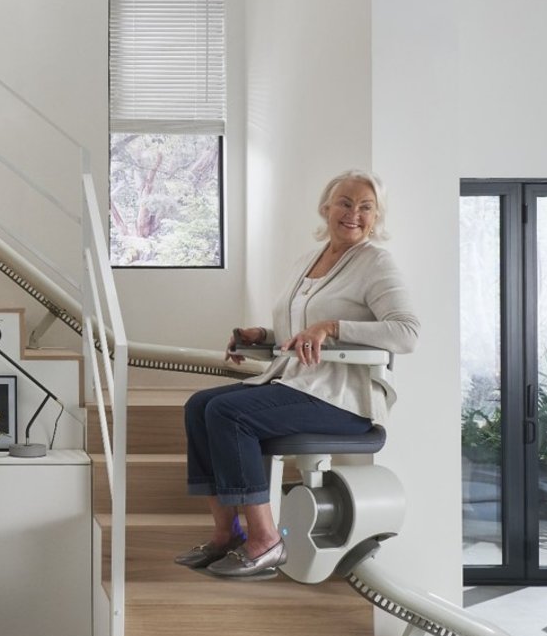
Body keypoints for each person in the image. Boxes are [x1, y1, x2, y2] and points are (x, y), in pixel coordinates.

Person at [174, 170, 419, 579]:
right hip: (300, 383)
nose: (353, 213)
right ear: (326, 207)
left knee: (228, 413)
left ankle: (265, 540)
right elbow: (298, 332)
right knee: (199, 405)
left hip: (343, 399)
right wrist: (262, 335)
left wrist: (334, 327)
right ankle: (225, 534)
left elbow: (406, 332)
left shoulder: (376, 262)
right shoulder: (308, 261)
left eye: (366, 207)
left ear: (377, 217)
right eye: (345, 202)